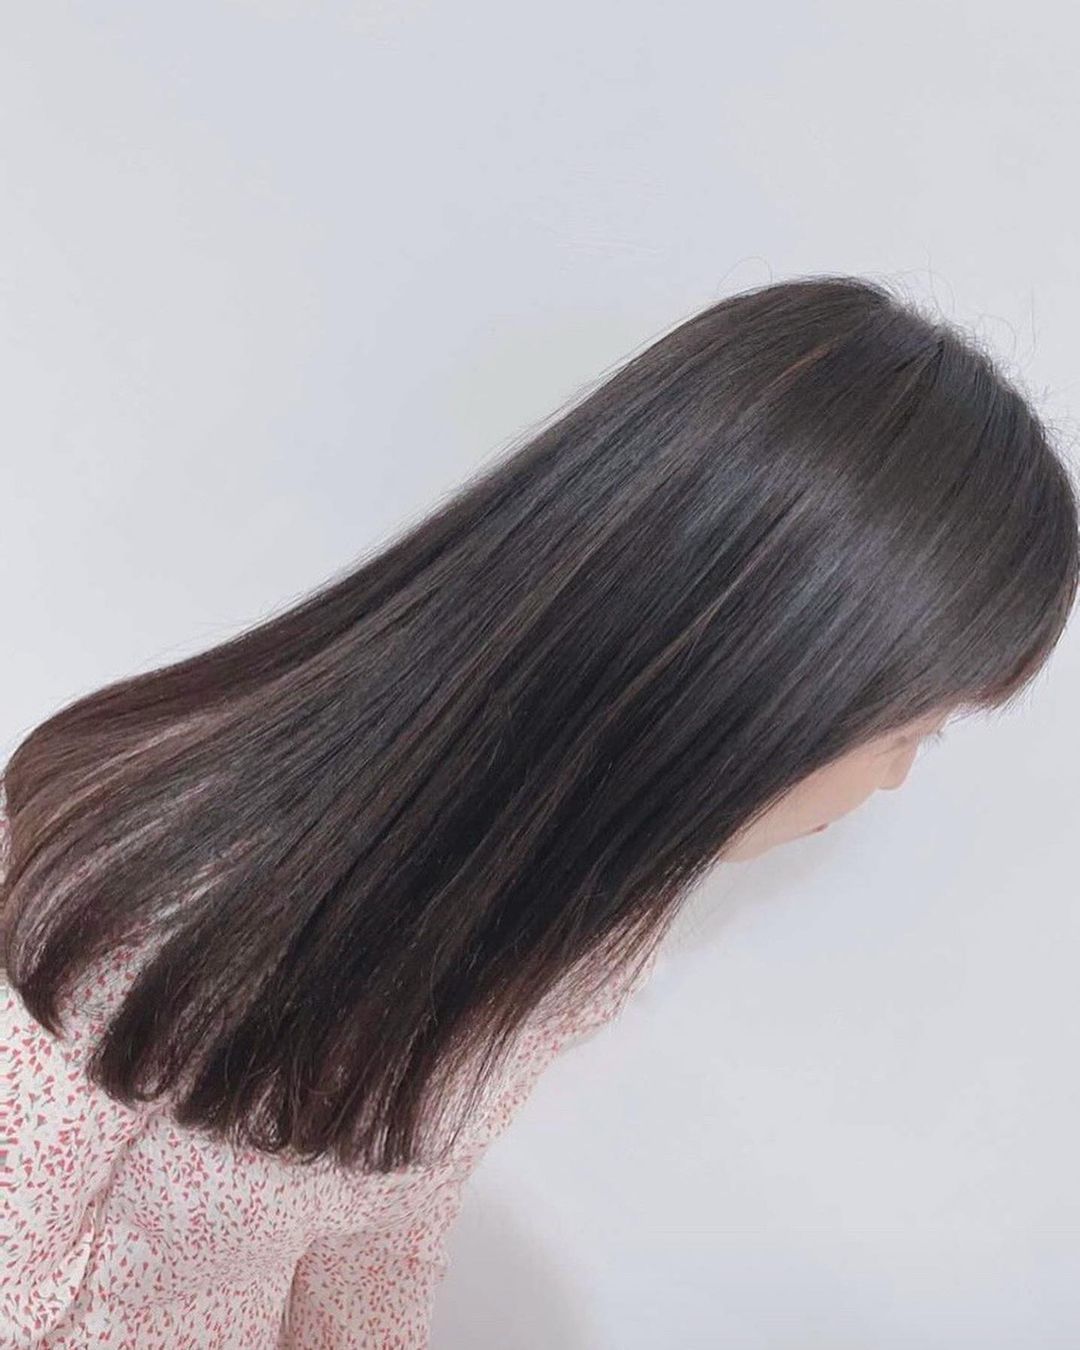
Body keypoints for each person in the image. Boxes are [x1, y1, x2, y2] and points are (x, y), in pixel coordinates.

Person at [2, 273, 1076, 1348]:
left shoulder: (575, 940)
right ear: (757, 677)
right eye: (912, 732)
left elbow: (385, 1226)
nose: (894, 780)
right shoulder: (158, 886)